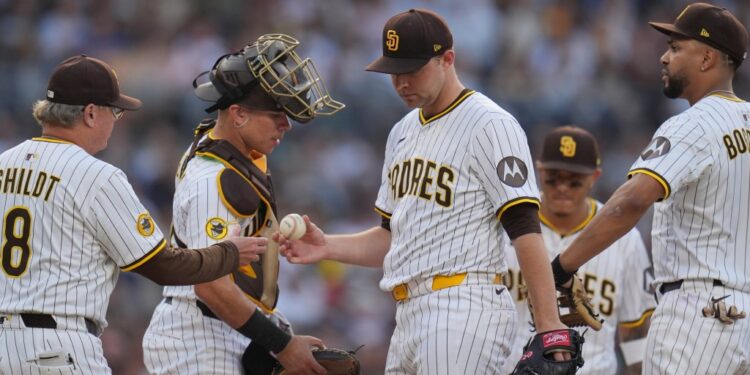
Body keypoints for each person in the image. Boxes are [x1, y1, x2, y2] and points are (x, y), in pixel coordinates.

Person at [279, 9, 571, 374]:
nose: (401, 81)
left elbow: (525, 228)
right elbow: (391, 239)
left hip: (464, 306)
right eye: (394, 71)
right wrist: (327, 247)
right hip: (408, 314)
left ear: (447, 59)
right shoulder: (401, 132)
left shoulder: (490, 124)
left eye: (412, 69)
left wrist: (549, 324)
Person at [0, 55, 266, 374]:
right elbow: (161, 265)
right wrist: (228, 254)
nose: (116, 120)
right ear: (90, 113)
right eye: (115, 111)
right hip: (56, 349)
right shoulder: (96, 175)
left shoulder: (4, 164)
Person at [551, 3, 750, 374]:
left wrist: (563, 266)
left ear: (707, 58)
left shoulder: (693, 123)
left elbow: (631, 201)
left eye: (676, 48)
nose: (663, 57)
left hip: (696, 313)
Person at [142, 33, 344, 375]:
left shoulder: (233, 146)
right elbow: (211, 287)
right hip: (200, 337)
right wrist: (283, 346)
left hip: (227, 329)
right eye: (277, 114)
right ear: (237, 114)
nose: (286, 125)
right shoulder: (214, 180)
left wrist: (278, 330)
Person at [500, 126, 655, 374]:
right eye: (553, 177)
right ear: (538, 170)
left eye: (574, 180)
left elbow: (635, 330)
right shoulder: (508, 224)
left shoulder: (625, 239)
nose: (562, 187)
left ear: (594, 177)